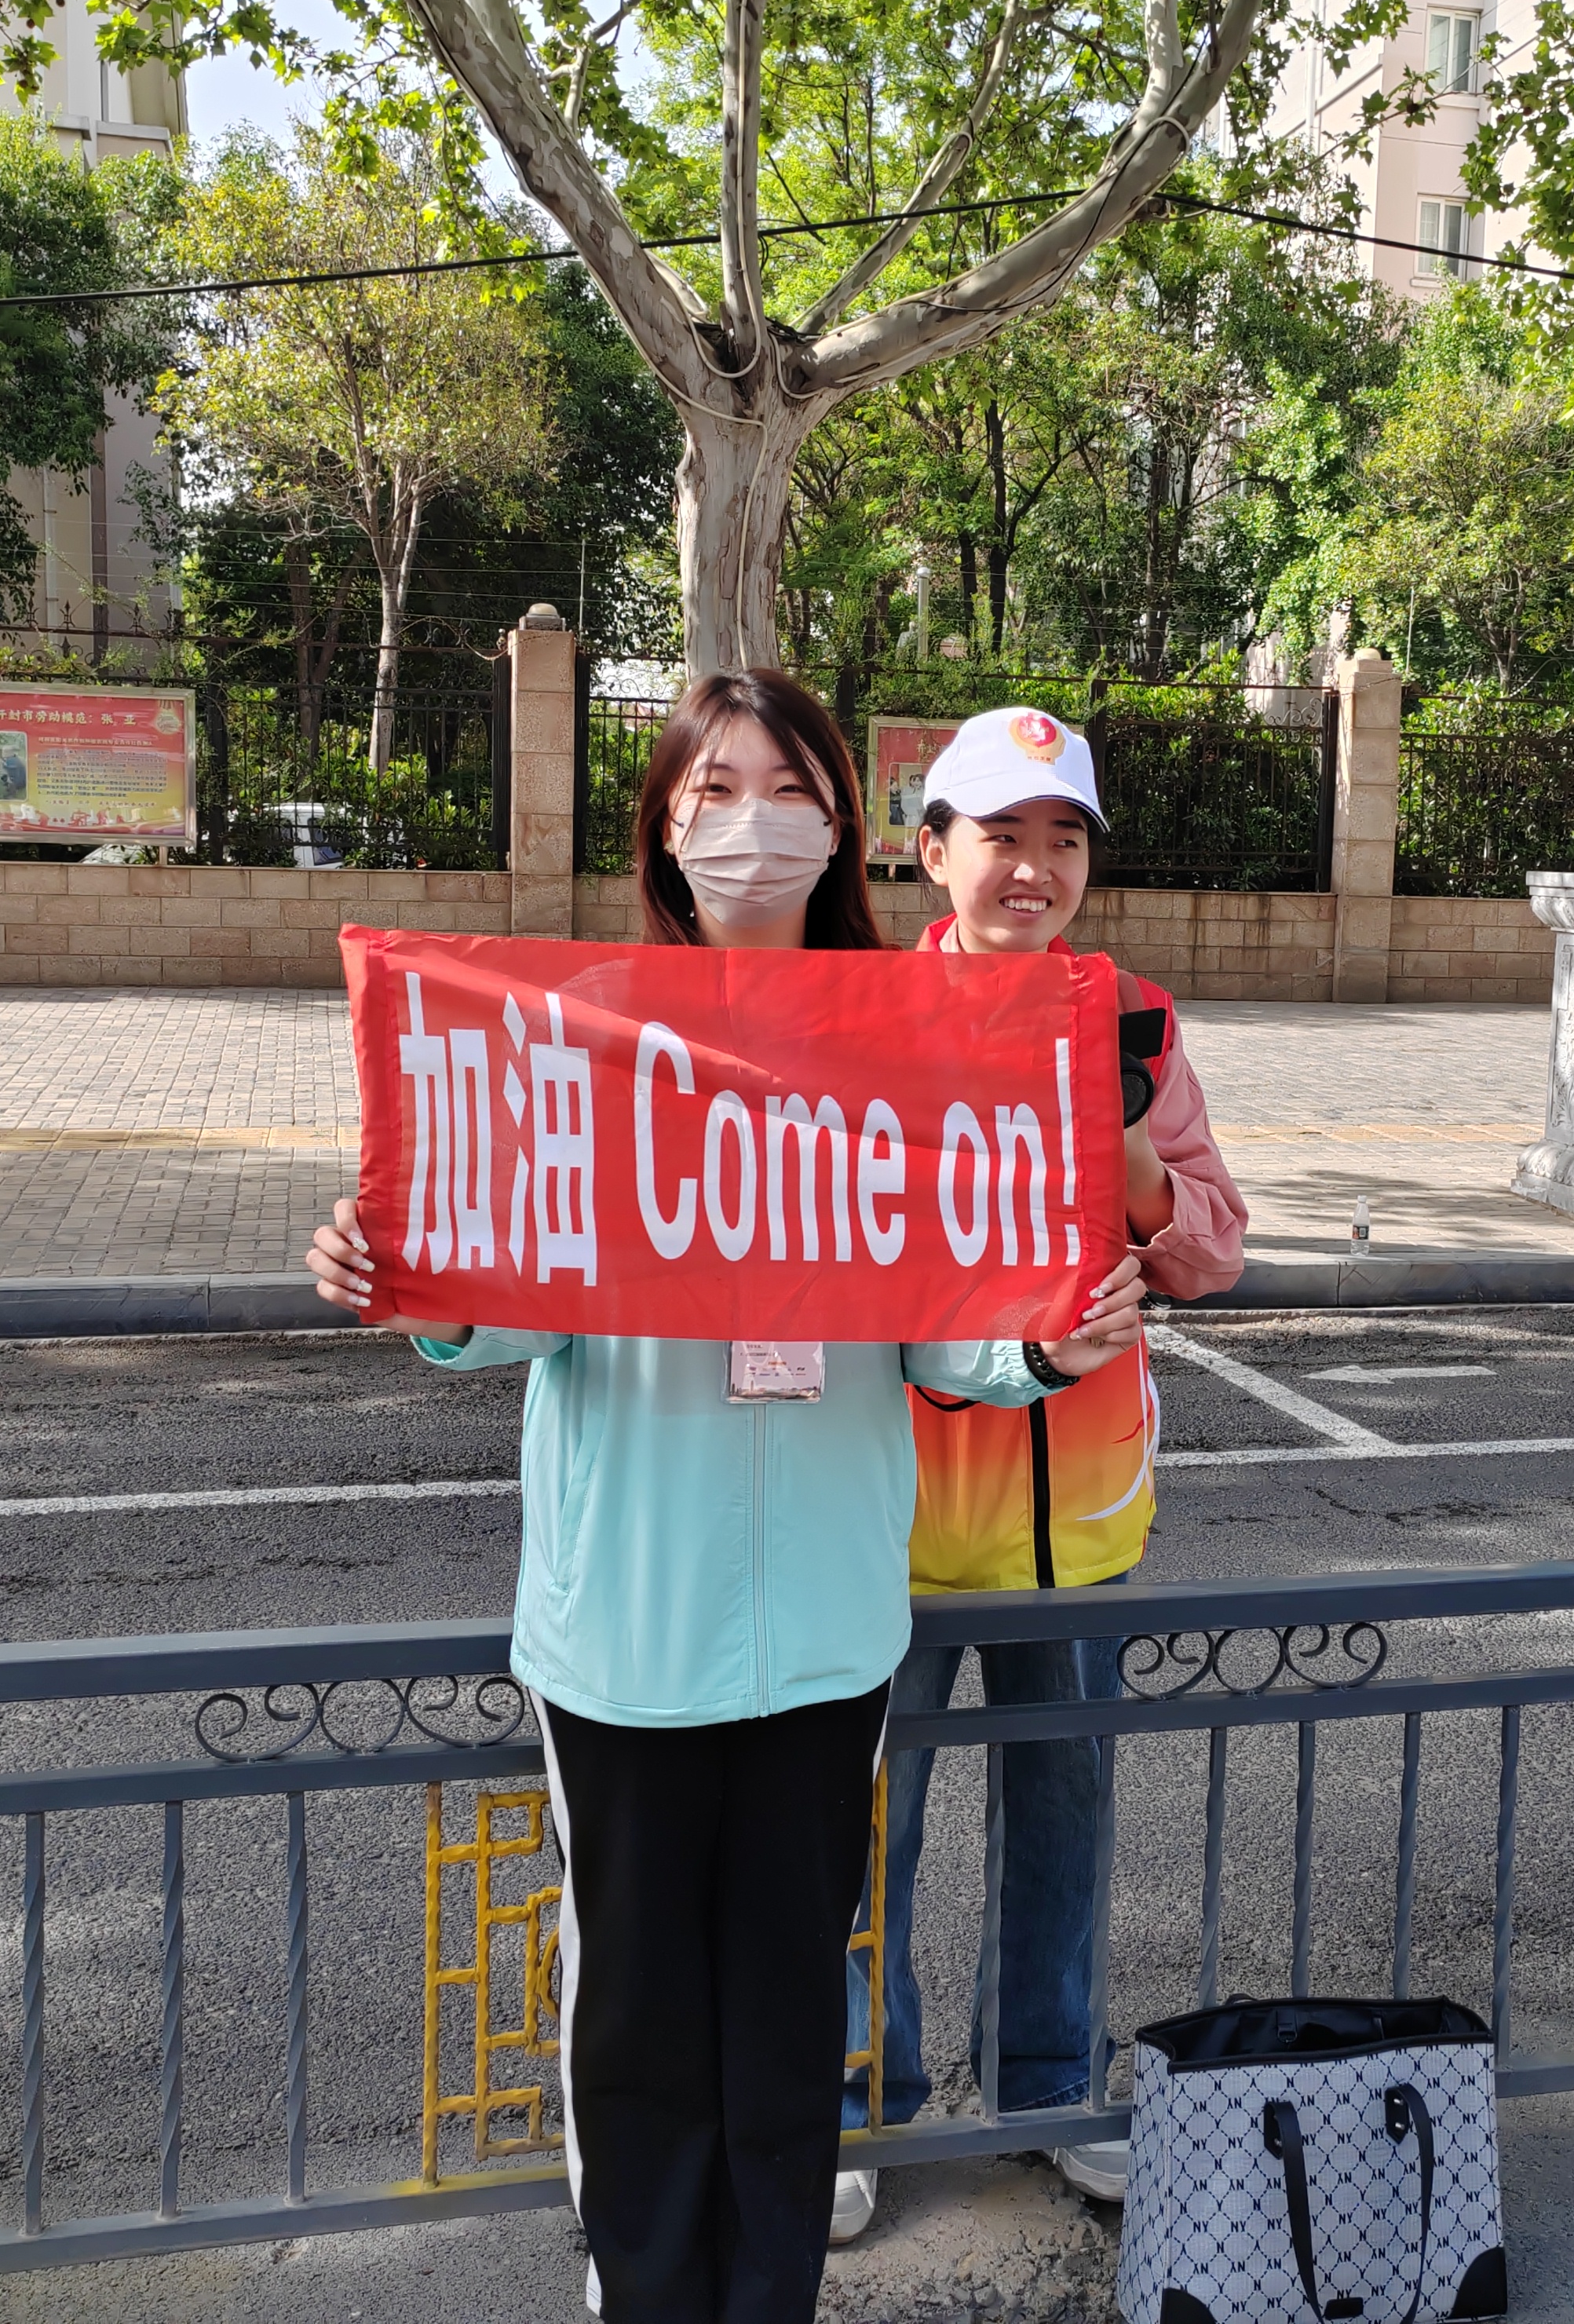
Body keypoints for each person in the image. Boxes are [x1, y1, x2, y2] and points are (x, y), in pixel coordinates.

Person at [306, 670, 1147, 2323]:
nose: (748, 825)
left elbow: (937, 1329)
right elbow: (511, 1302)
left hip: (830, 1631)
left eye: (784, 789)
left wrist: (1041, 1354)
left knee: (783, 2020)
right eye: (710, 794)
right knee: (631, 2026)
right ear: (662, 829)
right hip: (625, 1629)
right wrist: (413, 1270)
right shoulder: (584, 1029)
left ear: (840, 824)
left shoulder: (895, 1050)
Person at [829, 708, 1249, 2243]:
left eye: (1062, 836)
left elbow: (1210, 1241)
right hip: (886, 1517)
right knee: (863, 1831)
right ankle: (854, 2101)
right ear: (928, 849)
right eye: (1000, 833)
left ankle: (1048, 2089)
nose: (1034, 866)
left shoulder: (1133, 1020)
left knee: (1061, 1818)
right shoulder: (857, 1020)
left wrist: (1135, 1158)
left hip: (1077, 1522)